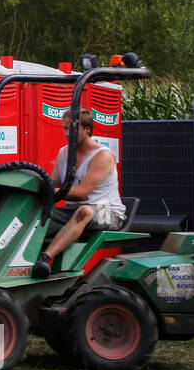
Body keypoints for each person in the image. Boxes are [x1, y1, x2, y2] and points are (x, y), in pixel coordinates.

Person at [31, 107, 126, 279]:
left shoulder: (102, 156)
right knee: (36, 218)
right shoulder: (64, 152)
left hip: (108, 212)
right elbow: (54, 185)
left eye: (72, 129)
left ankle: (45, 258)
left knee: (85, 211)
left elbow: (83, 193)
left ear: (87, 129)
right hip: (74, 211)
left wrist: (49, 190)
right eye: (65, 129)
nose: (67, 133)